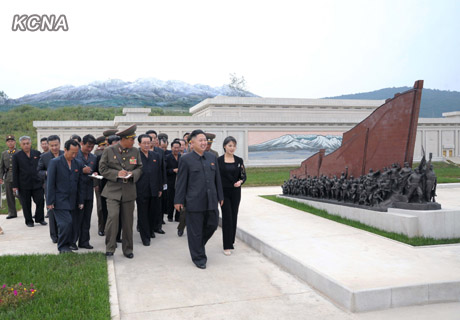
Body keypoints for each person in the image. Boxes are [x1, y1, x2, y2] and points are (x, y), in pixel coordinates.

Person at [174, 129, 224, 269]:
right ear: (192, 143)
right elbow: (181, 181)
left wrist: (220, 196)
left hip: (211, 200)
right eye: (201, 140)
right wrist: (178, 200)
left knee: (212, 224)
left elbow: (217, 179)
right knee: (195, 230)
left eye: (205, 140)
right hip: (194, 201)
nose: (204, 143)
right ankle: (199, 258)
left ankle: (197, 245)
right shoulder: (185, 159)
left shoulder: (212, 157)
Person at [99, 125, 143, 258]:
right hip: (113, 190)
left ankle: (128, 249)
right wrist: (117, 173)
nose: (133, 142)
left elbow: (140, 167)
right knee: (112, 218)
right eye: (131, 139)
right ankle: (110, 248)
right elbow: (102, 169)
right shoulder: (109, 150)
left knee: (128, 221)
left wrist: (132, 174)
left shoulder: (135, 151)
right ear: (124, 139)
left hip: (129, 190)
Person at [46, 139, 84, 253]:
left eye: (76, 153)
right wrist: (49, 202)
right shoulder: (55, 162)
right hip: (59, 200)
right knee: (65, 223)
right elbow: (50, 183)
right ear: (65, 150)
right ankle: (62, 247)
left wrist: (80, 201)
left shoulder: (77, 163)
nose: (74, 155)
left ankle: (68, 245)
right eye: (72, 152)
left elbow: (80, 184)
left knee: (72, 225)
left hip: (73, 200)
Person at [217, 136, 246, 255]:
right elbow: (216, 178)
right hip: (224, 193)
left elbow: (243, 176)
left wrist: (240, 182)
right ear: (224, 146)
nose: (232, 148)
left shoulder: (239, 160)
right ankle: (226, 245)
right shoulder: (218, 160)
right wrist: (219, 196)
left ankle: (231, 241)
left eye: (234, 146)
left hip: (236, 193)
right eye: (230, 145)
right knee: (227, 217)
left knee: (234, 216)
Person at [12, 136, 46, 227]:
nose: (26, 145)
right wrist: (15, 186)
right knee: (26, 204)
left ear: (30, 143)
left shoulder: (37, 153)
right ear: (20, 145)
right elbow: (15, 172)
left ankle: (40, 219)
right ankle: (29, 221)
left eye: (27, 143)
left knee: (40, 201)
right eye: (24, 144)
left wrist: (43, 180)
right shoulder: (16, 156)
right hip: (23, 184)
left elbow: (42, 167)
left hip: (37, 182)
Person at [136, 134, 162, 246]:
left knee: (153, 213)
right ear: (139, 144)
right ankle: (145, 237)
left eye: (148, 143)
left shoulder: (155, 155)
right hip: (141, 190)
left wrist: (160, 187)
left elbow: (160, 173)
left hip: (154, 189)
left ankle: (151, 230)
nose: (146, 145)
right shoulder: (135, 156)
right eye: (144, 143)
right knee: (143, 214)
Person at [37, 135, 63, 243]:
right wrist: (47, 173)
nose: (54, 147)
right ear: (48, 145)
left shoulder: (65, 154)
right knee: (52, 212)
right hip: (50, 188)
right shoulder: (44, 157)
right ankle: (54, 236)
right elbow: (39, 171)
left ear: (59, 144)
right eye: (52, 145)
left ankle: (64, 235)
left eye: (56, 145)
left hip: (64, 188)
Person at [73, 134, 97, 250]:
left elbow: (95, 170)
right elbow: (69, 172)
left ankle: (84, 241)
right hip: (77, 192)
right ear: (82, 143)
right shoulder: (75, 155)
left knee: (87, 218)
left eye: (92, 147)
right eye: (88, 146)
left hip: (88, 192)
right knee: (77, 218)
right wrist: (81, 170)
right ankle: (73, 241)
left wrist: (95, 174)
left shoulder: (93, 158)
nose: (89, 149)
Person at [146, 129, 167, 233]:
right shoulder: (140, 151)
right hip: (145, 185)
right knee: (145, 207)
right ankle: (143, 226)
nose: (153, 140)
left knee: (158, 206)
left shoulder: (160, 152)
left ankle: (157, 226)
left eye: (155, 138)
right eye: (151, 138)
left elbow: (162, 168)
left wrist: (163, 183)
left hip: (157, 183)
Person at [94, 135, 109, 237]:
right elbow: (95, 170)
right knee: (100, 207)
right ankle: (101, 227)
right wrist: (96, 184)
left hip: (109, 183)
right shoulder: (98, 153)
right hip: (100, 183)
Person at [0, 135, 18, 219]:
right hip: (8, 177)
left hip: (18, 176)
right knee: (9, 196)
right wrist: (1, 177)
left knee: (21, 195)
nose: (10, 142)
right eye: (8, 141)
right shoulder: (4, 153)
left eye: (12, 141)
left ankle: (26, 211)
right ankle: (12, 213)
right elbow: (2, 166)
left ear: (14, 142)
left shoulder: (19, 152)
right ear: (6, 143)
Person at [165, 140, 181, 222]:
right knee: (170, 199)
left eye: (178, 148)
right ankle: (170, 216)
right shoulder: (167, 157)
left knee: (179, 198)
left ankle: (178, 216)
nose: (176, 149)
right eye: (175, 148)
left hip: (179, 182)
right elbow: (165, 170)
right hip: (171, 181)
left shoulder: (182, 157)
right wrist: (173, 170)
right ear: (171, 148)